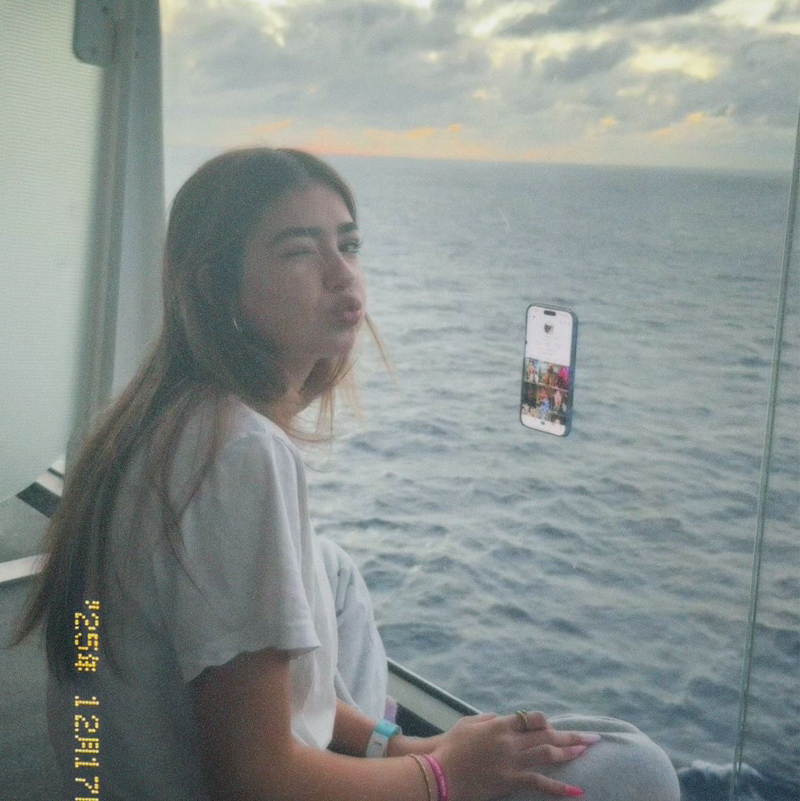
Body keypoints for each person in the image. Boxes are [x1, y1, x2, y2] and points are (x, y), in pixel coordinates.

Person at [11, 148, 680, 801]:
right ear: (216, 285)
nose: (341, 275)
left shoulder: (150, 419)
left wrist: (402, 747)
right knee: (636, 766)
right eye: (300, 251)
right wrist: (446, 776)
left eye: (349, 245)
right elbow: (252, 780)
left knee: (329, 568)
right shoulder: (240, 454)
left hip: (99, 784)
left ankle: (366, 753)